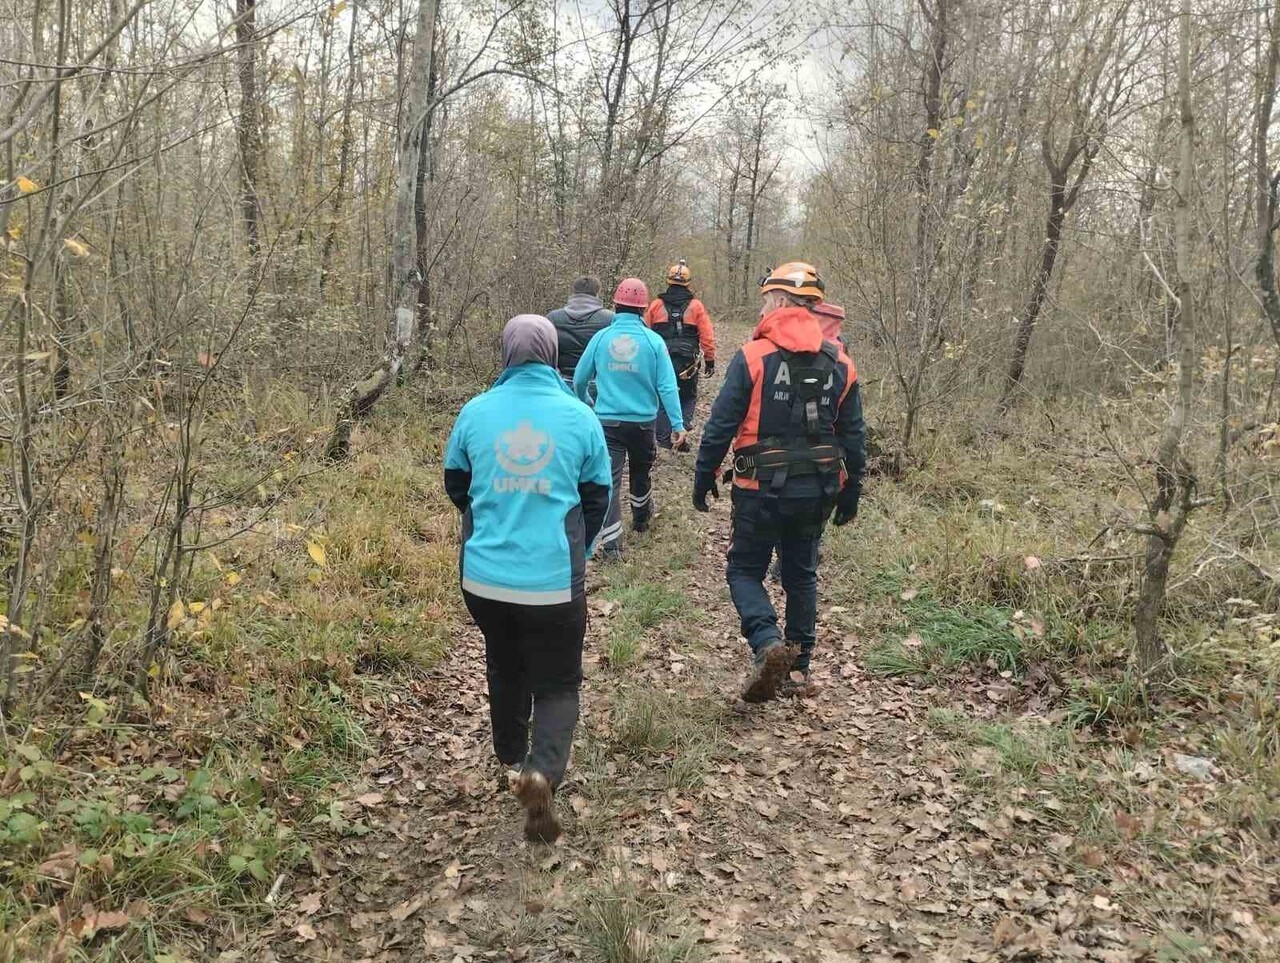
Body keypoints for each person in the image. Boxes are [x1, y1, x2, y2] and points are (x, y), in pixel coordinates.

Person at [443, 314, 612, 843]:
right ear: (553, 353)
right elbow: (597, 496)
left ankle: (511, 758)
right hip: (554, 583)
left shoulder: (474, 412)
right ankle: (542, 772)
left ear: (507, 353)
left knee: (504, 661)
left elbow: (456, 485)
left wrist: (492, 516)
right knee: (559, 681)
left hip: (485, 582)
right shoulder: (580, 417)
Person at [692, 262, 865, 703]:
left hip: (759, 488)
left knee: (744, 569)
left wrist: (704, 474)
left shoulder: (754, 357)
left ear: (782, 302)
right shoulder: (841, 363)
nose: (764, 305)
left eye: (768, 298)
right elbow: (853, 435)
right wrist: (852, 489)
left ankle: (768, 642)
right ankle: (800, 666)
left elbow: (720, 425)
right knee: (801, 572)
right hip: (819, 489)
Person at [574, 277, 686, 557]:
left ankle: (612, 544)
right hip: (643, 423)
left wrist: (587, 401)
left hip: (607, 422)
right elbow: (667, 386)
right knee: (641, 470)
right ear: (643, 309)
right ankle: (641, 518)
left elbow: (579, 379)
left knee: (609, 480)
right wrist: (677, 423)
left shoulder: (601, 339)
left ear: (615, 304)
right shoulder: (653, 341)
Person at [644, 260, 715, 451]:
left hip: (661, 359)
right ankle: (681, 432)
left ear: (668, 281)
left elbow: (645, 332)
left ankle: (664, 438)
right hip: (687, 362)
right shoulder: (696, 306)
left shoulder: (656, 305)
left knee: (661, 397)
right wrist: (709, 360)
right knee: (687, 397)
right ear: (688, 283)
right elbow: (707, 335)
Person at [547, 275, 615, 385]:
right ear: (597, 293)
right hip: (596, 384)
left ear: (573, 291)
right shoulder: (610, 319)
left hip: (560, 383)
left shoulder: (553, 318)